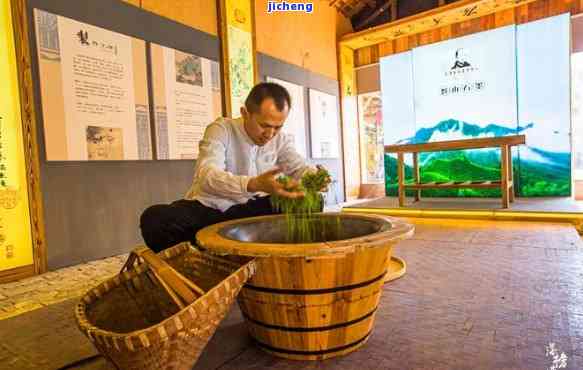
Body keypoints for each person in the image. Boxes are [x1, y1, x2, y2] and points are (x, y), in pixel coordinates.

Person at [140, 82, 326, 252]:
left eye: (278, 127)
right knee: (154, 219)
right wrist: (253, 184)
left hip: (249, 211)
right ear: (245, 113)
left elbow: (299, 168)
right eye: (264, 125)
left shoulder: (281, 139)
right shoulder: (221, 129)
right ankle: (199, 258)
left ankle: (258, 251)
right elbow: (206, 176)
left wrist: (315, 177)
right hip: (211, 209)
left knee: (313, 200)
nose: (270, 134)